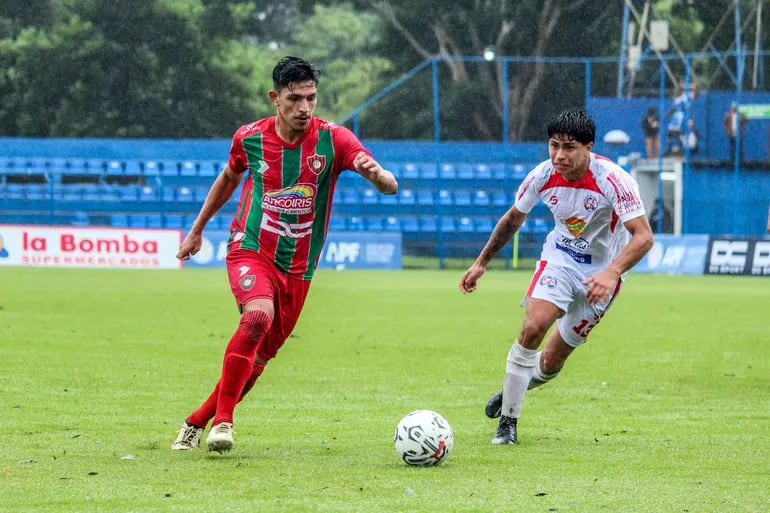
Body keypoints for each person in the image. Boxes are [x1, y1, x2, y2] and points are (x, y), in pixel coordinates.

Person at [170, 56, 398, 453]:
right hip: (251, 246)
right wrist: (197, 229)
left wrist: (378, 176)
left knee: (259, 358)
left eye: (311, 98)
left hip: (299, 267)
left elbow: (390, 185)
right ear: (275, 98)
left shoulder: (335, 140)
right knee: (257, 316)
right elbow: (229, 177)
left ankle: (196, 421)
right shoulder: (250, 138)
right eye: (295, 99)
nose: (305, 108)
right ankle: (224, 423)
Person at [459, 109, 653, 445]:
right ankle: (508, 423)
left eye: (569, 147)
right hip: (560, 260)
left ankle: (514, 389)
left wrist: (611, 273)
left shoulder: (614, 180)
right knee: (534, 326)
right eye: (554, 146)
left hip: (602, 275)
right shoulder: (542, 175)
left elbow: (644, 236)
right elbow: (513, 219)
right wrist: (481, 263)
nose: (559, 155)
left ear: (588, 147)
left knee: (550, 362)